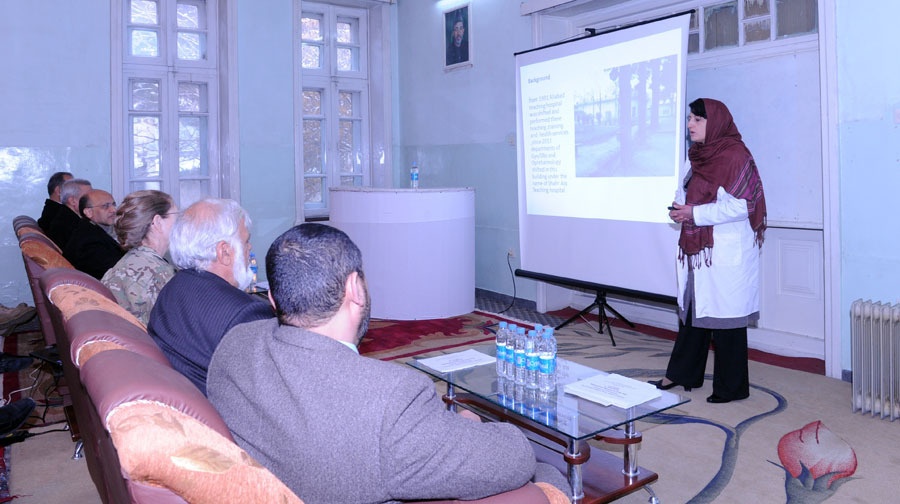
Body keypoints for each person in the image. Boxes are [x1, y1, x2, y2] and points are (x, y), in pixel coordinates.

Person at [208, 223, 569, 503]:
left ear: (272, 297)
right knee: (549, 472)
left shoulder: (234, 344)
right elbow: (513, 459)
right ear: (355, 288)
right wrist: (468, 429)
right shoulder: (390, 398)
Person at [650, 98, 767, 404]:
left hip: (724, 252)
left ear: (715, 122)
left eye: (697, 120)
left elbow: (744, 205)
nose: (690, 125)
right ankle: (683, 374)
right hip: (697, 250)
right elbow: (686, 191)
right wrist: (680, 208)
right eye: (690, 118)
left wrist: (695, 214)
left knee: (726, 320)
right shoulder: (695, 157)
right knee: (692, 313)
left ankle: (732, 388)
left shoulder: (735, 155)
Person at [148, 198, 273, 396]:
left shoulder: (174, 288)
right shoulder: (245, 315)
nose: (249, 249)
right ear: (224, 252)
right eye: (246, 241)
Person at [101, 190, 178, 325]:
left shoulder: (132, 260)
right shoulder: (158, 272)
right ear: (158, 222)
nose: (179, 223)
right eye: (176, 215)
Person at [63, 189, 125, 280]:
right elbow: (117, 274)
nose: (113, 210)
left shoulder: (90, 229)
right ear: (88, 212)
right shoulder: (89, 242)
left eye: (114, 204)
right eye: (105, 206)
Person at [45, 178, 92, 249]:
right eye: (87, 197)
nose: (93, 201)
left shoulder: (66, 217)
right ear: (72, 201)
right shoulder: (69, 226)